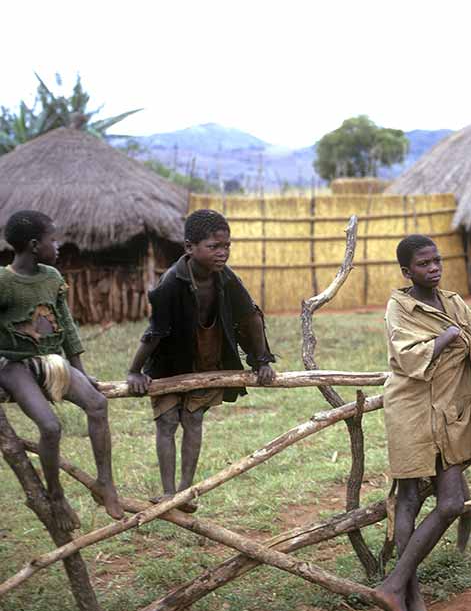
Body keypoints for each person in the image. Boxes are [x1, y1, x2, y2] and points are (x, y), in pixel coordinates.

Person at [375, 234, 471, 611]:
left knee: (451, 502)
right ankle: (411, 596)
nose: (433, 268)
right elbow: (406, 357)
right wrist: (444, 338)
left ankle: (393, 585)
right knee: (409, 498)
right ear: (406, 271)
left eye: (436, 261)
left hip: (448, 410)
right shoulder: (399, 307)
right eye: (423, 264)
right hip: (411, 409)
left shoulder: (453, 302)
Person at [127, 209, 276, 512]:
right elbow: (155, 333)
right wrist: (134, 371)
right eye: (214, 246)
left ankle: (185, 492)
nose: (222, 253)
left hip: (207, 362)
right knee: (167, 421)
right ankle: (168, 492)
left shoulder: (227, 278)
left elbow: (251, 317)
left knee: (193, 420)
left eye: (226, 246)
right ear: (189, 247)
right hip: (168, 365)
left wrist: (262, 361)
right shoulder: (170, 283)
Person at [0, 210, 123, 530]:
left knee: (98, 404)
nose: (57, 246)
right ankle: (56, 496)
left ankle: (105, 483)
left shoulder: (52, 277)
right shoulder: (4, 282)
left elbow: (66, 325)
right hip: (14, 365)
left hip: (53, 362)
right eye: (52, 240)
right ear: (34, 245)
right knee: (51, 427)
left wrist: (80, 371)